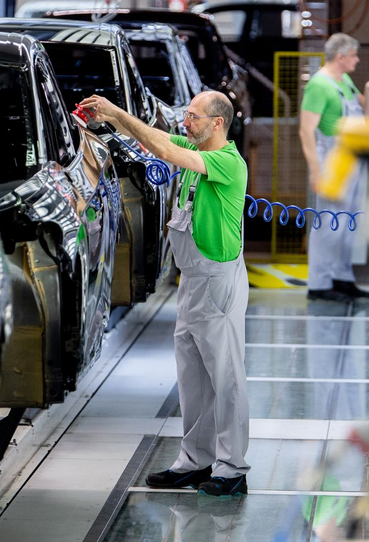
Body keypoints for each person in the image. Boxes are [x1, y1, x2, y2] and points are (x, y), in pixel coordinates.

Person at [79, 90, 251, 497]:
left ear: (217, 124)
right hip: (193, 280)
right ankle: (195, 459)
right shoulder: (195, 147)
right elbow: (150, 140)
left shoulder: (225, 161)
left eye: (193, 116)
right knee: (192, 375)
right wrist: (107, 120)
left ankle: (233, 467)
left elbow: (164, 148)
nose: (185, 122)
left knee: (226, 377)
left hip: (217, 282)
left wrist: (117, 110)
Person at [299, 33, 369, 302]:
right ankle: (318, 284)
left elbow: (363, 106)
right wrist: (316, 170)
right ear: (341, 57)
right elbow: (306, 131)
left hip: (353, 156)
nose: (357, 60)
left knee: (348, 221)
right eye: (354, 55)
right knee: (328, 222)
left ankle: (342, 278)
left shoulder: (344, 80)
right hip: (331, 158)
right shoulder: (319, 85)